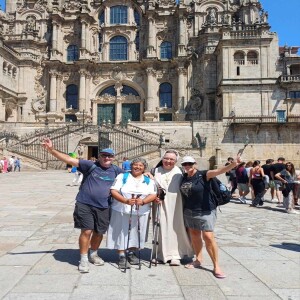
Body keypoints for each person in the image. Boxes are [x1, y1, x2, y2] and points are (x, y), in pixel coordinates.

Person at [41, 138, 123, 273]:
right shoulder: (90, 165)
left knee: (99, 232)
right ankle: (83, 258)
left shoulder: (116, 171)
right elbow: (69, 160)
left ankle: (93, 254)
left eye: (109, 156)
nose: (106, 158)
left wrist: (148, 175)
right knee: (87, 230)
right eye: (104, 155)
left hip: (104, 206)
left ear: (113, 158)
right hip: (85, 203)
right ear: (99, 157)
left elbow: (132, 177)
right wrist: (51, 150)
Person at [180, 154, 241, 278]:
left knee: (208, 236)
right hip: (189, 211)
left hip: (205, 210)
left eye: (189, 164)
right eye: (184, 164)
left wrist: (233, 164)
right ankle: (198, 259)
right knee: (195, 235)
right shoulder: (184, 177)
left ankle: (216, 265)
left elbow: (219, 171)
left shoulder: (204, 174)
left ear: (194, 164)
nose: (187, 166)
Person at [107, 158, 157, 269]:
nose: (138, 167)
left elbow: (153, 194)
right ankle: (121, 255)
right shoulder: (122, 177)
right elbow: (113, 190)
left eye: (140, 165)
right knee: (121, 231)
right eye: (135, 165)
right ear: (131, 166)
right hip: (121, 209)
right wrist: (125, 201)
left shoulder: (148, 180)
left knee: (136, 232)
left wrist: (143, 201)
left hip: (141, 211)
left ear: (144, 168)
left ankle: (131, 252)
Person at [151, 149, 194, 266]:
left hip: (177, 204)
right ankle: (160, 254)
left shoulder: (180, 171)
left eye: (171, 159)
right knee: (161, 228)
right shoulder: (155, 171)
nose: (168, 161)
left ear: (176, 161)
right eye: (166, 158)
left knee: (176, 229)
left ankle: (176, 255)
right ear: (162, 158)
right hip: (159, 203)